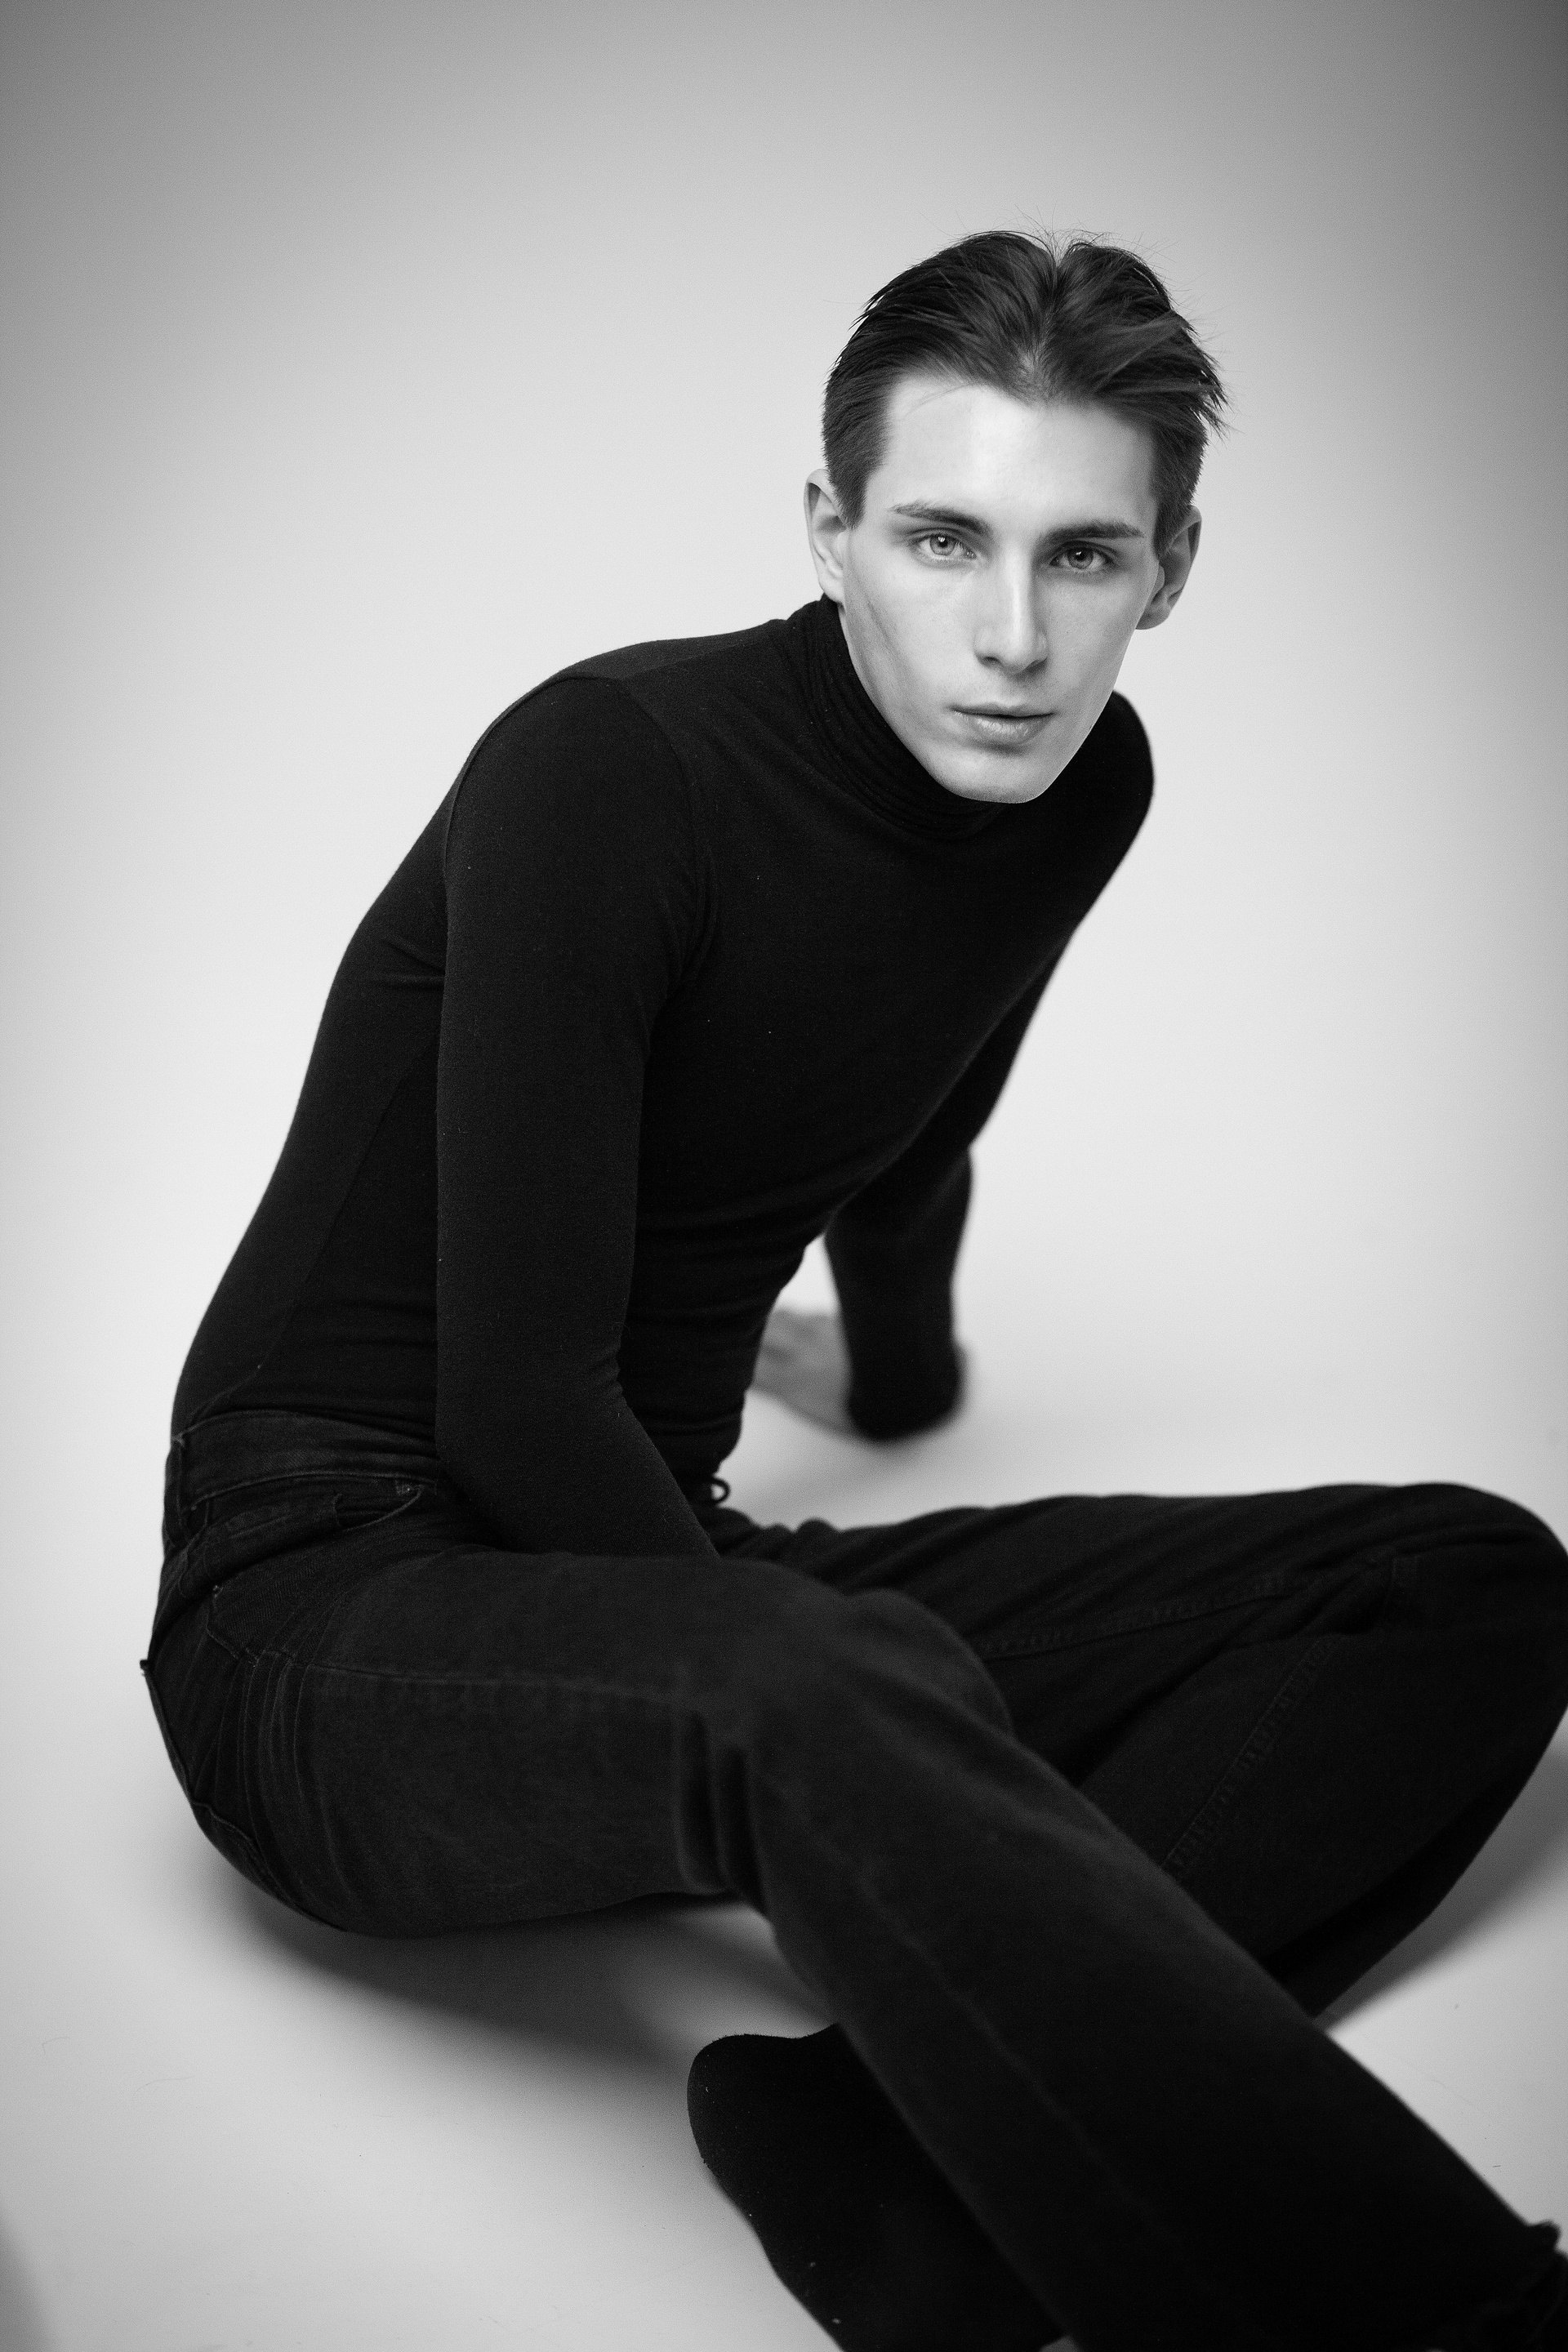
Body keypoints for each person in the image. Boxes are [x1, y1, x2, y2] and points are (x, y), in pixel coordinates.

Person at [143, 230, 1568, 2352]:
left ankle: (885, 2154)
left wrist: (898, 1388)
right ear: (831, 530)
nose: (1012, 636)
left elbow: (912, 1122)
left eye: (1084, 556)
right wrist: (836, 1739)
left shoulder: (1085, 784)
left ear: (1172, 567)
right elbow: (513, 1406)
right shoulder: (611, 769)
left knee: (1464, 1582)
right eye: (941, 539)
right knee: (825, 1683)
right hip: (324, 1606)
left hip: (664, 1575)